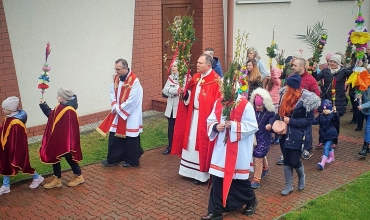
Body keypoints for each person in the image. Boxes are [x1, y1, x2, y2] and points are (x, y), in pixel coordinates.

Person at [201, 87, 258, 219]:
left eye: (225, 91)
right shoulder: (219, 102)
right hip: (221, 147)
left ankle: (251, 200)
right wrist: (216, 126)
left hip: (238, 149)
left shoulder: (245, 105)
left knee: (239, 181)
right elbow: (211, 119)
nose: (223, 94)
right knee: (217, 177)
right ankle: (215, 211)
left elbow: (252, 126)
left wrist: (233, 126)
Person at [267, 74, 321, 196]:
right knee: (286, 160)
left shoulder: (306, 101)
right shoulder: (284, 97)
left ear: (293, 87)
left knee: (294, 161)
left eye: (288, 85)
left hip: (298, 135)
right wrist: (270, 123)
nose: (285, 87)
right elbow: (278, 115)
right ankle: (288, 185)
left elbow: (308, 121)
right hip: (284, 134)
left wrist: (291, 121)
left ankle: (301, 177)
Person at [174, 54, 221, 185]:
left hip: (206, 119)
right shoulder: (196, 78)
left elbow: (218, 103)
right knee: (190, 140)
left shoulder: (216, 81)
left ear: (209, 65)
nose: (197, 65)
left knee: (202, 144)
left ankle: (201, 175)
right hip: (193, 115)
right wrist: (185, 93)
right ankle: (187, 171)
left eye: (200, 63)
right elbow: (189, 95)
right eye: (197, 62)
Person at [97, 59, 143, 167]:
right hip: (118, 112)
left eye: (118, 69)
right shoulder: (117, 78)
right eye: (115, 69)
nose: (116, 72)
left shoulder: (135, 81)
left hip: (130, 114)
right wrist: (114, 105)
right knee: (114, 136)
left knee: (131, 138)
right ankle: (114, 159)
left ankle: (131, 161)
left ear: (125, 68)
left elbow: (133, 100)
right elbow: (112, 92)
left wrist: (119, 108)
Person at [39, 88, 84, 188]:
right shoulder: (60, 106)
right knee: (55, 158)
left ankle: (79, 176)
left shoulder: (69, 111)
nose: (56, 97)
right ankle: (57, 179)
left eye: (58, 96)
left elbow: (69, 128)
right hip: (57, 139)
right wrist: (44, 105)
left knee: (69, 157)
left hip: (66, 141)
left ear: (63, 98)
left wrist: (66, 142)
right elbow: (51, 116)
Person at [0, 97, 44, 194]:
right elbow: (4, 129)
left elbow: (17, 139)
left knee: (23, 165)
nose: (2, 110)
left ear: (10, 109)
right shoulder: (8, 118)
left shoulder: (16, 122)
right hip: (6, 148)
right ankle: (6, 185)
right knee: (5, 165)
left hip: (15, 149)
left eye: (4, 108)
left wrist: (12, 150)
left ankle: (37, 177)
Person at [312, 54, 352, 148]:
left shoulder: (343, 71)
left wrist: (357, 65)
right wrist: (313, 70)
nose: (332, 63)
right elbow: (315, 78)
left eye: (334, 62)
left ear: (338, 63)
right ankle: (321, 140)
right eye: (331, 61)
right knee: (322, 121)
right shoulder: (325, 71)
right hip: (326, 99)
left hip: (338, 100)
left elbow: (353, 74)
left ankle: (334, 141)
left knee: (334, 122)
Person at [249, 88, 275, 189]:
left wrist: (270, 124)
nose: (258, 107)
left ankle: (256, 179)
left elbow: (274, 118)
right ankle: (265, 167)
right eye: (257, 105)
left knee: (258, 156)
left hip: (264, 137)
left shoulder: (269, 113)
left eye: (260, 105)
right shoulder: (253, 111)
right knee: (259, 153)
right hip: (255, 136)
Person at [161, 60, 189, 155]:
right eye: (172, 66)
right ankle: (170, 146)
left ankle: (180, 146)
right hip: (170, 108)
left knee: (180, 128)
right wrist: (175, 91)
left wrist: (171, 91)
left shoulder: (186, 79)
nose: (173, 68)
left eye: (175, 66)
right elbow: (164, 90)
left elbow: (184, 92)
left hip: (180, 108)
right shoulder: (170, 78)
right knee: (171, 128)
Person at [311, 100, 339, 170]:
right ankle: (332, 157)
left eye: (327, 109)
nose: (325, 111)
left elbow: (337, 119)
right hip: (324, 134)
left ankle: (323, 163)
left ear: (330, 109)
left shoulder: (332, 116)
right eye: (324, 109)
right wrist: (309, 120)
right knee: (328, 146)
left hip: (331, 134)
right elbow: (316, 121)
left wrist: (335, 112)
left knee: (326, 147)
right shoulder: (321, 116)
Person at [266, 67, 282, 144]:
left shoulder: (277, 82)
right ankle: (272, 136)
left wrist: (272, 71)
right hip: (269, 104)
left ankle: (277, 136)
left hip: (276, 104)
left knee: (275, 120)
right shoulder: (269, 83)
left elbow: (275, 78)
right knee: (270, 119)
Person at [358, 82, 370, 156]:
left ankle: (365, 148)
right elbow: (358, 96)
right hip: (365, 112)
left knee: (367, 129)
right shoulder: (362, 86)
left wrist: (363, 106)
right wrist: (358, 96)